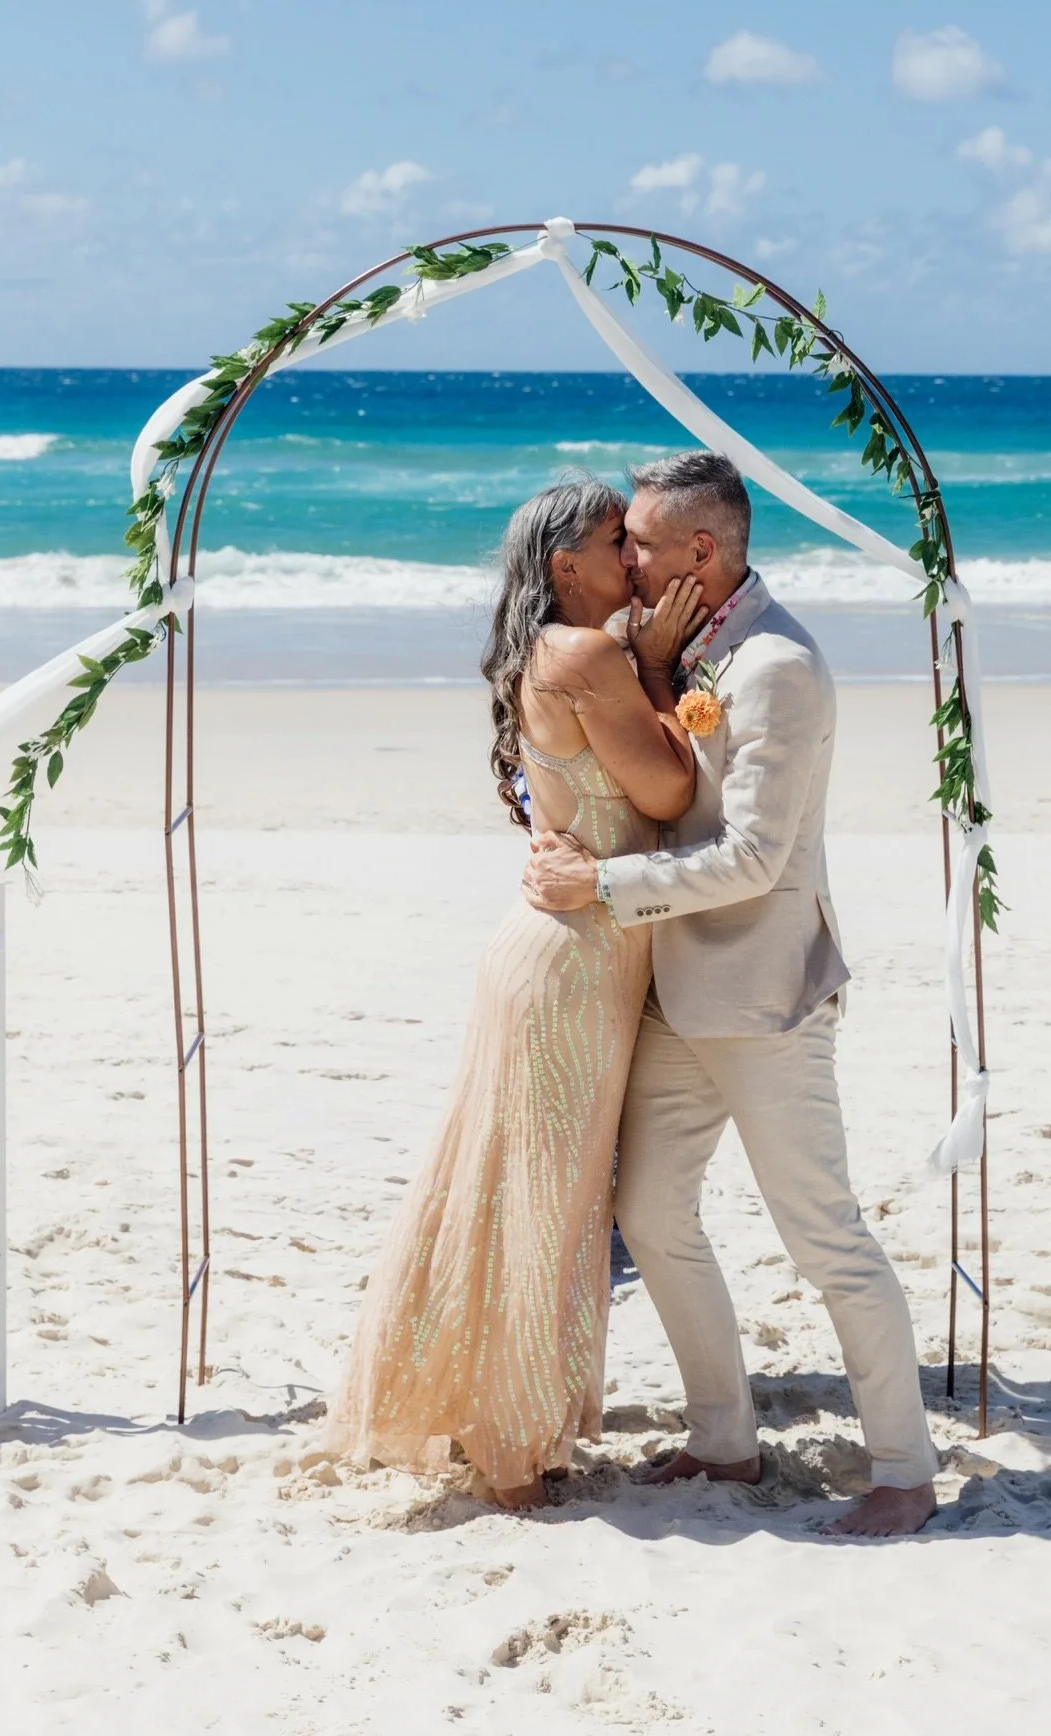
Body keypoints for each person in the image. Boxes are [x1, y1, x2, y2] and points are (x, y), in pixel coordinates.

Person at [522, 451, 939, 1537]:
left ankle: (903, 1467)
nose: (627, 559)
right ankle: (723, 1439)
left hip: (762, 997)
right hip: (674, 986)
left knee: (825, 1236)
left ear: (701, 552)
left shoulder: (776, 670)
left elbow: (754, 856)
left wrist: (600, 884)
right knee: (651, 1214)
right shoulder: (673, 647)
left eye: (644, 545)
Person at [326, 478, 707, 1509]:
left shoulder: (569, 652)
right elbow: (669, 792)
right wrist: (664, 671)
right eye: (611, 541)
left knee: (518, 1188)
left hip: (569, 947)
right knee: (546, 1198)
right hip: (572, 961)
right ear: (564, 568)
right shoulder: (587, 656)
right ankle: (508, 1448)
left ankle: (492, 1420)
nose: (634, 558)